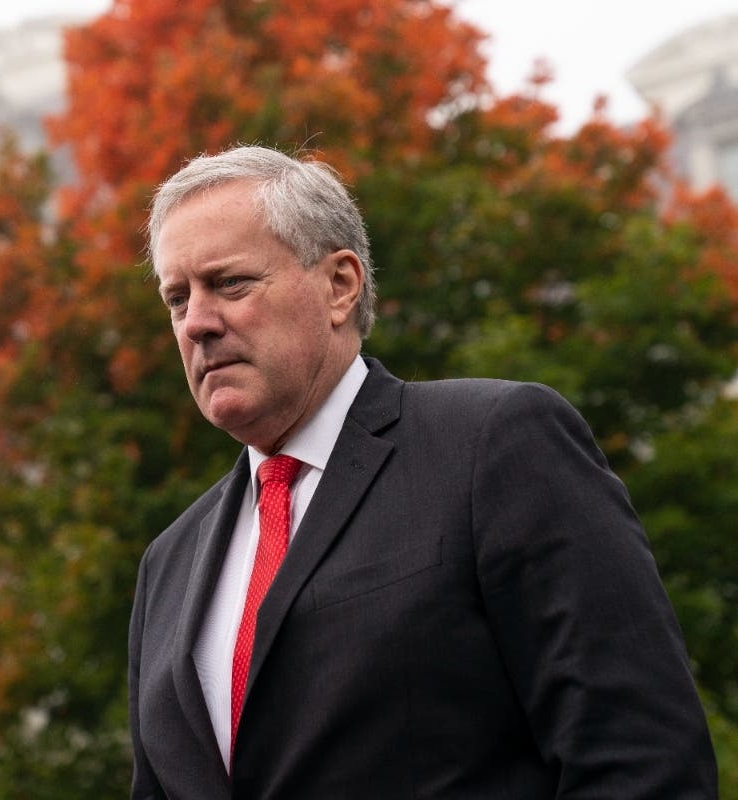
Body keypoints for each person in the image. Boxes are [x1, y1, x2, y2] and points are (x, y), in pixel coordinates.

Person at [128, 145, 717, 798]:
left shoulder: (491, 446)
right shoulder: (167, 564)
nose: (197, 324)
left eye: (230, 284)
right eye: (176, 299)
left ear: (339, 285)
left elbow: (639, 757)